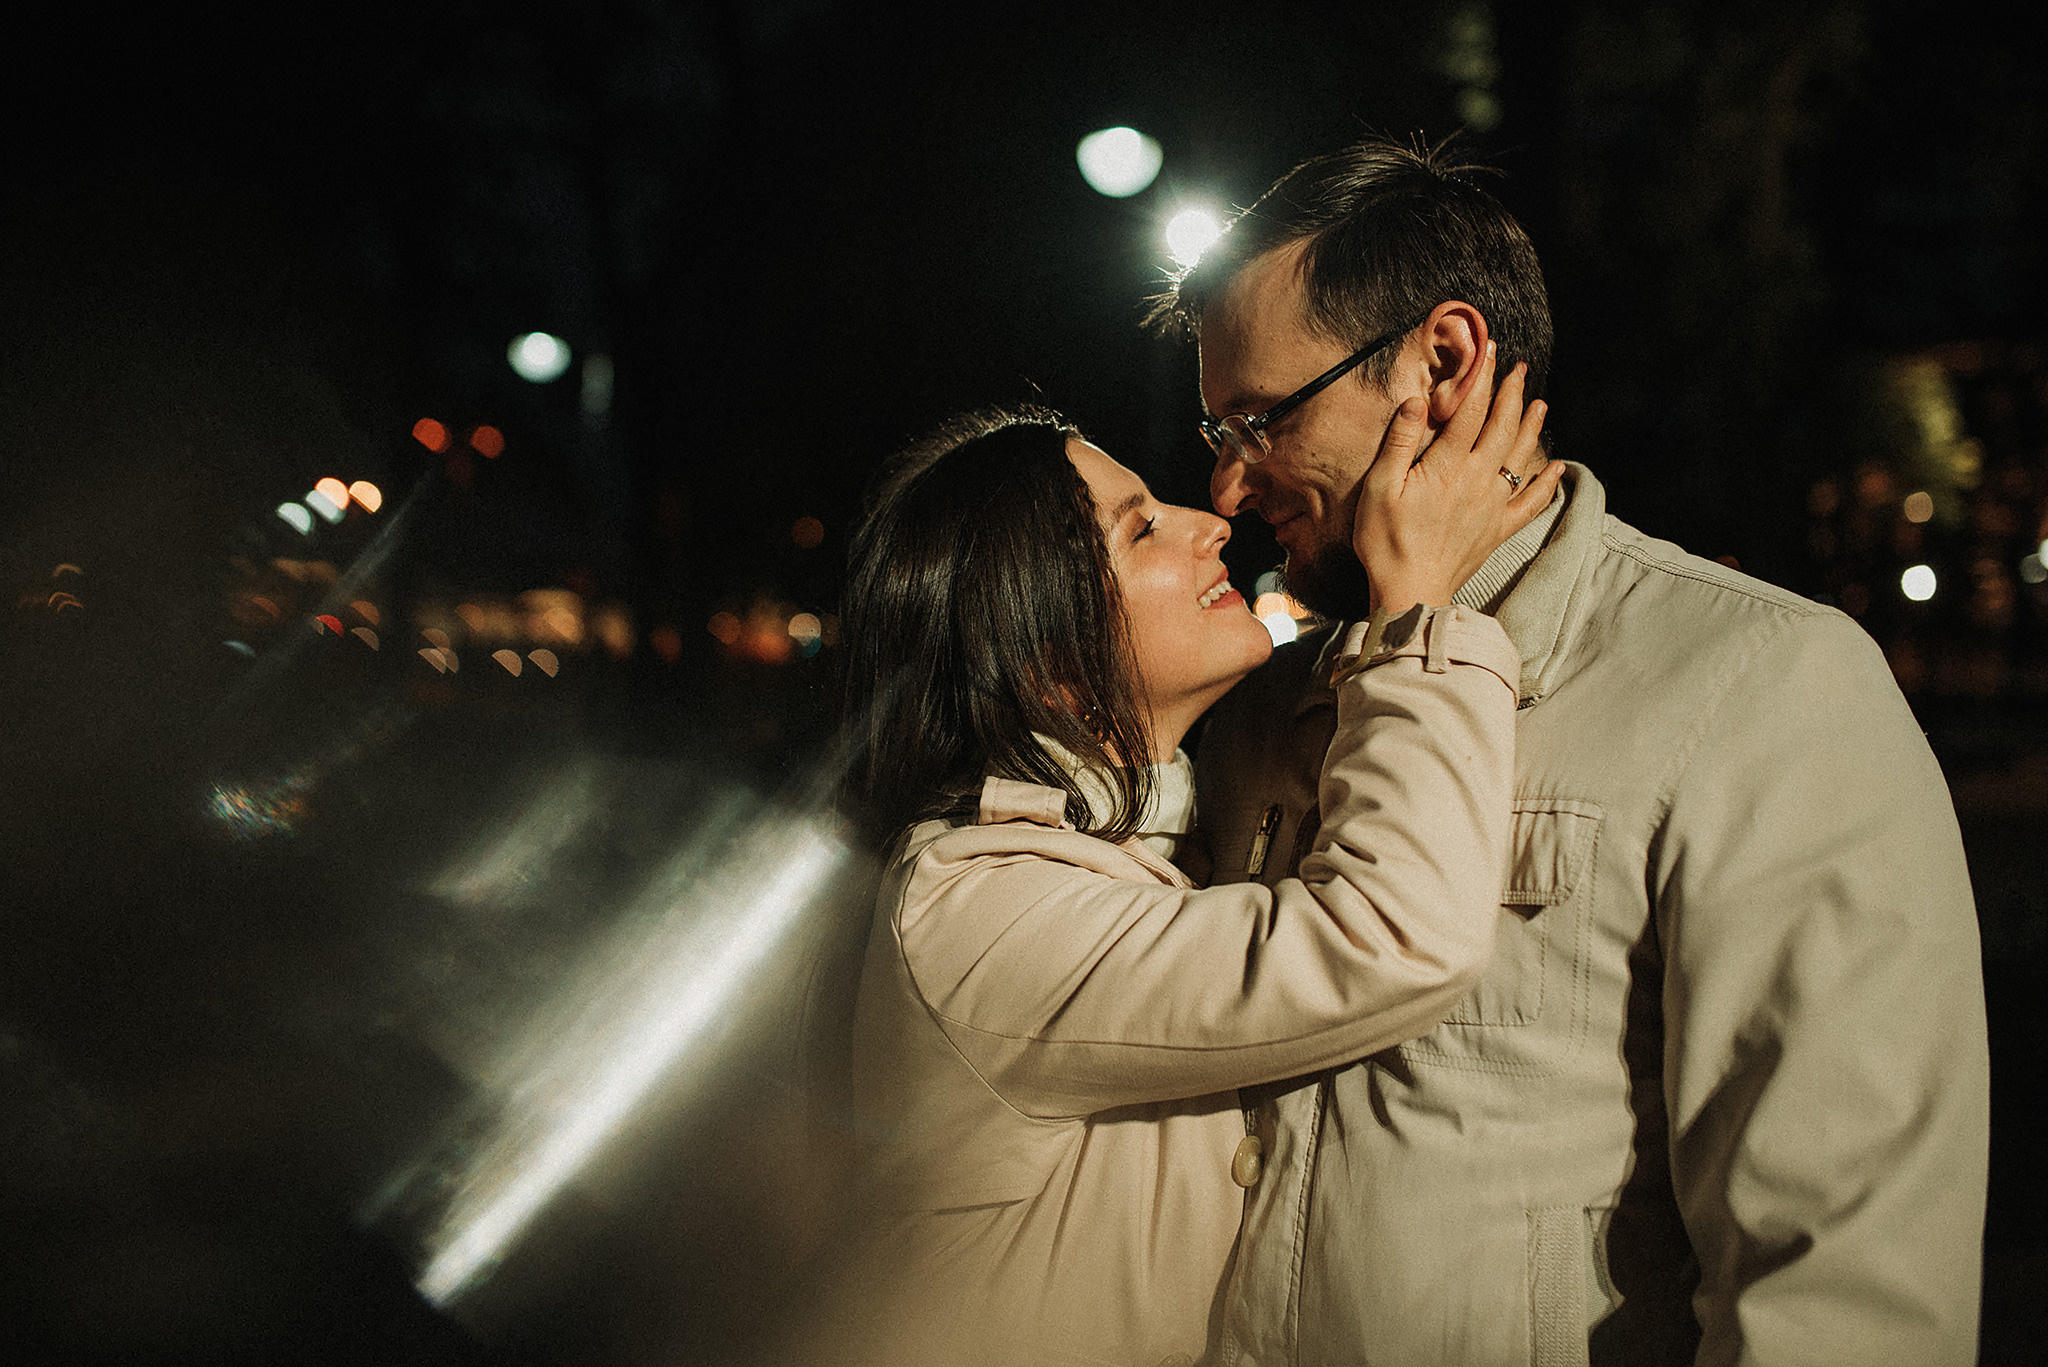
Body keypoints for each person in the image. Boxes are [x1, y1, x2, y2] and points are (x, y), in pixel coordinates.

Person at [1151, 136, 1989, 1365]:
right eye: (1216, 427)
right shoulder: (1262, 713)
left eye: (1260, 419)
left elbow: (1845, 1276)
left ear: (1441, 362)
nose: (1227, 486)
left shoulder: (1759, 683)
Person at [806, 384, 1560, 1366]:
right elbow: (1386, 935)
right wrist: (1416, 608)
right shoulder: (978, 909)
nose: (1210, 524)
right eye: (1140, 529)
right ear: (1045, 656)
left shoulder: (1109, 854)